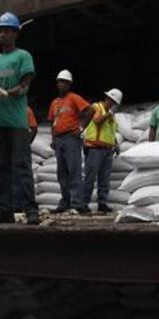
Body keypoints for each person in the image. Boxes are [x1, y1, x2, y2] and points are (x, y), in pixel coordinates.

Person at [0, 12, 39, 225]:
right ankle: (4, 210)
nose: (2, 35)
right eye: (0, 31)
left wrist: (7, 92)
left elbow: (25, 85)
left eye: (7, 31)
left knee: (21, 165)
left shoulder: (23, 56)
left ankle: (30, 210)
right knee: (1, 168)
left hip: (17, 122)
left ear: (15, 33)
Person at [48, 69, 91, 214]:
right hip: (59, 139)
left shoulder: (74, 98)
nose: (63, 84)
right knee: (62, 172)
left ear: (69, 85)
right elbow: (53, 121)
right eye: (61, 82)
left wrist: (81, 128)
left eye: (66, 82)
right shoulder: (55, 102)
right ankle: (65, 201)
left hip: (71, 138)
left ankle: (77, 202)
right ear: (57, 83)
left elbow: (90, 110)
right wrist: (53, 138)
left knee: (74, 170)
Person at [83, 88, 122, 214]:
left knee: (104, 179)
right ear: (108, 99)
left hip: (107, 150)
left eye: (115, 104)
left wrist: (116, 144)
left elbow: (111, 131)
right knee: (90, 177)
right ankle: (83, 203)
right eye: (113, 102)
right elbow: (98, 121)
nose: (113, 105)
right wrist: (109, 113)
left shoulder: (111, 116)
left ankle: (102, 203)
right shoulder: (96, 107)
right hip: (94, 148)